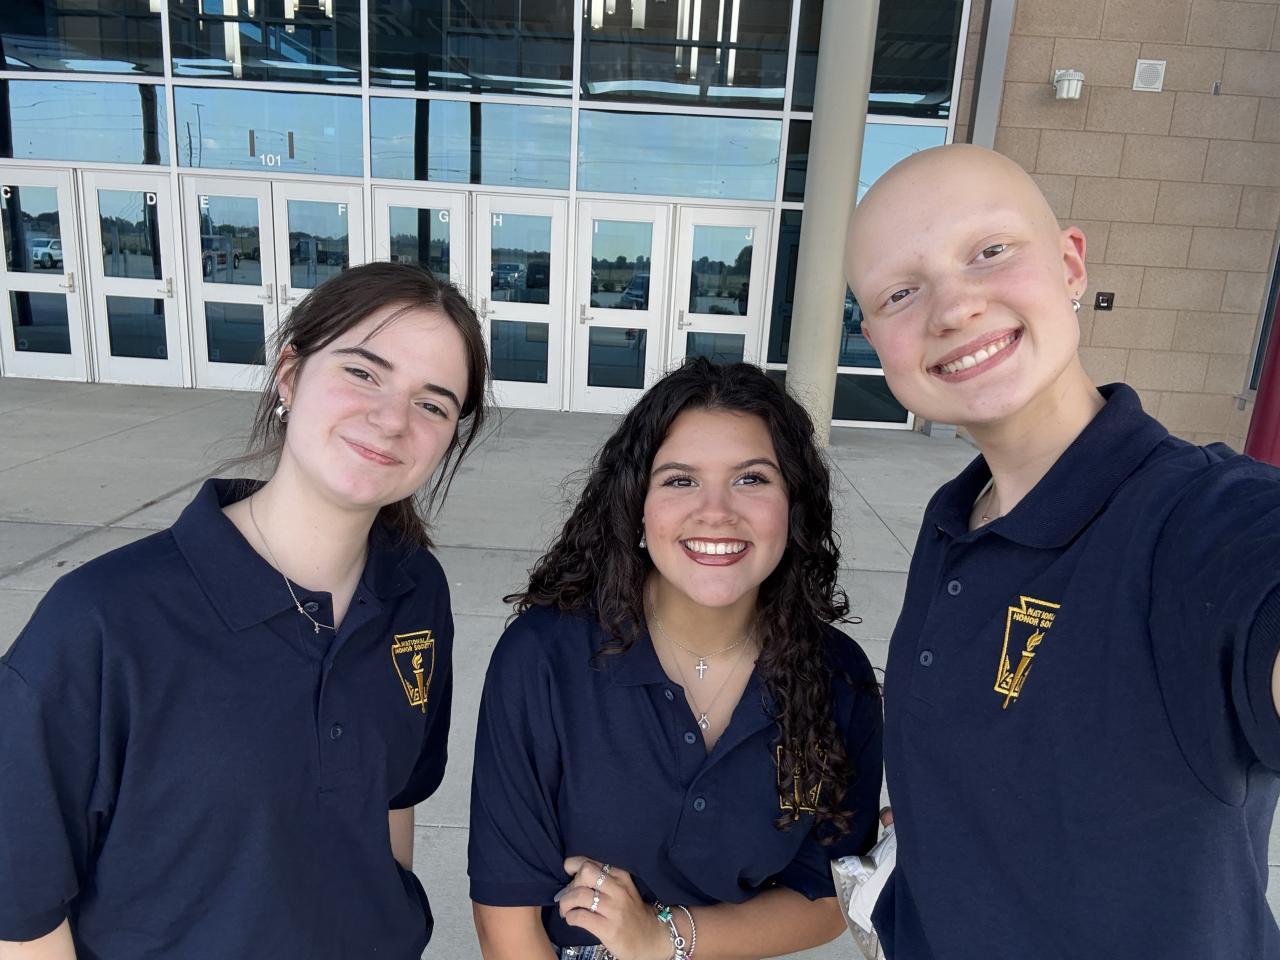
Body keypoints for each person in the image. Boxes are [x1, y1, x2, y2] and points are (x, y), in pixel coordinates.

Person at [844, 143, 1280, 959]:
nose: (953, 308)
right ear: (874, 340)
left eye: (988, 251)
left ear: (1071, 264)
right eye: (901, 292)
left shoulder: (1198, 521)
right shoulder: (953, 521)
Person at [0, 262, 490, 958]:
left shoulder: (417, 592)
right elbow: (21, 911)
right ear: (290, 374)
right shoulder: (102, 622)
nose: (391, 420)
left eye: (433, 405)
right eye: (362, 372)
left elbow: (392, 798)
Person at [468, 358, 884, 960]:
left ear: (793, 505)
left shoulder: (837, 676)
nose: (716, 511)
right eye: (680, 480)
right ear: (637, 504)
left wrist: (663, 936)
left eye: (752, 479)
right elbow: (505, 919)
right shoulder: (544, 656)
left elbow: (825, 898)